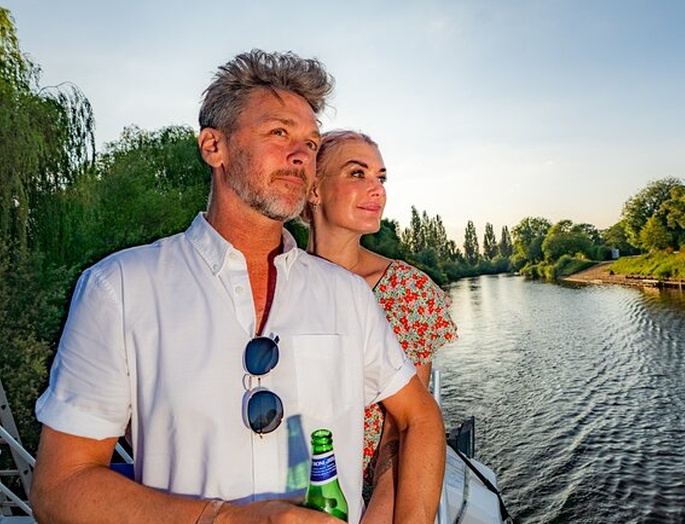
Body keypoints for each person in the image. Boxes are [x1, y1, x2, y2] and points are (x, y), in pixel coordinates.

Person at [29, 50, 445, 524]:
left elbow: (420, 417)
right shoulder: (118, 288)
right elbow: (59, 488)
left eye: (310, 144)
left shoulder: (346, 295)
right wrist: (226, 519)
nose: (299, 156)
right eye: (278, 133)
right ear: (214, 146)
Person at [305, 130, 457, 521]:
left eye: (381, 178)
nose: (377, 190)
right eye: (358, 174)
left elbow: (403, 428)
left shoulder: (406, 290)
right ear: (313, 189)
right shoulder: (277, 281)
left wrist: (379, 512)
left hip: (367, 498)